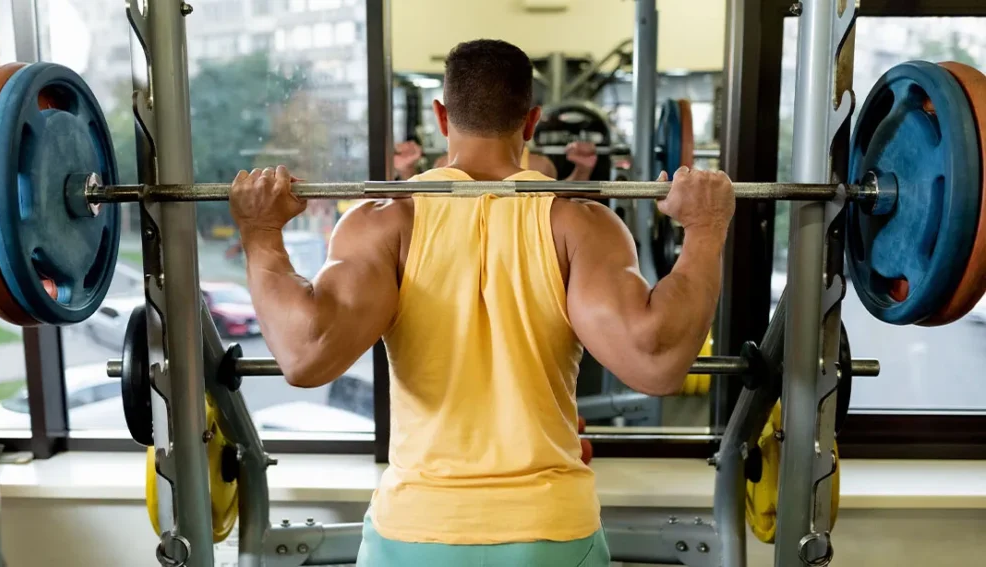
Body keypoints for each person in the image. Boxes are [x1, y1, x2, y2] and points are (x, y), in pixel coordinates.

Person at [229, 39, 734, 567]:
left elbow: (306, 356)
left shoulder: (384, 223)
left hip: (417, 531)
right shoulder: (580, 225)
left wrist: (263, 232)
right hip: (550, 530)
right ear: (532, 120)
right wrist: (705, 228)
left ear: (442, 118)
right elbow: (655, 363)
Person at [393, 134, 599, 180]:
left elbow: (560, 208)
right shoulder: (445, 164)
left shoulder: (538, 166)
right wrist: (406, 170)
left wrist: (583, 170)